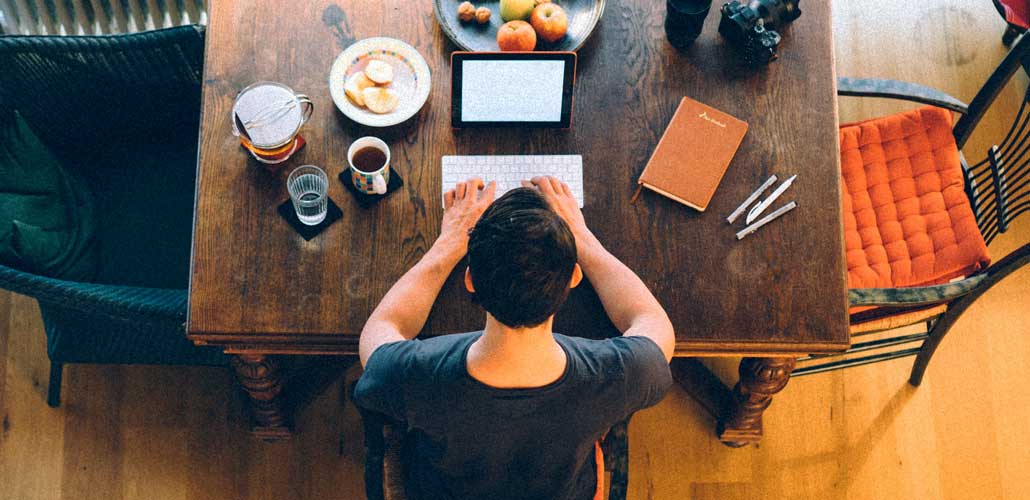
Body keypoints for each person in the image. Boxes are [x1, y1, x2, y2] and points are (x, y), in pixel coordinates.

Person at [353, 176, 675, 500]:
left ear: (470, 281)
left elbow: (380, 330)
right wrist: (583, 239)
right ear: (574, 277)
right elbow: (652, 322)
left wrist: (447, 245)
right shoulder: (619, 376)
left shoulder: (414, 376)